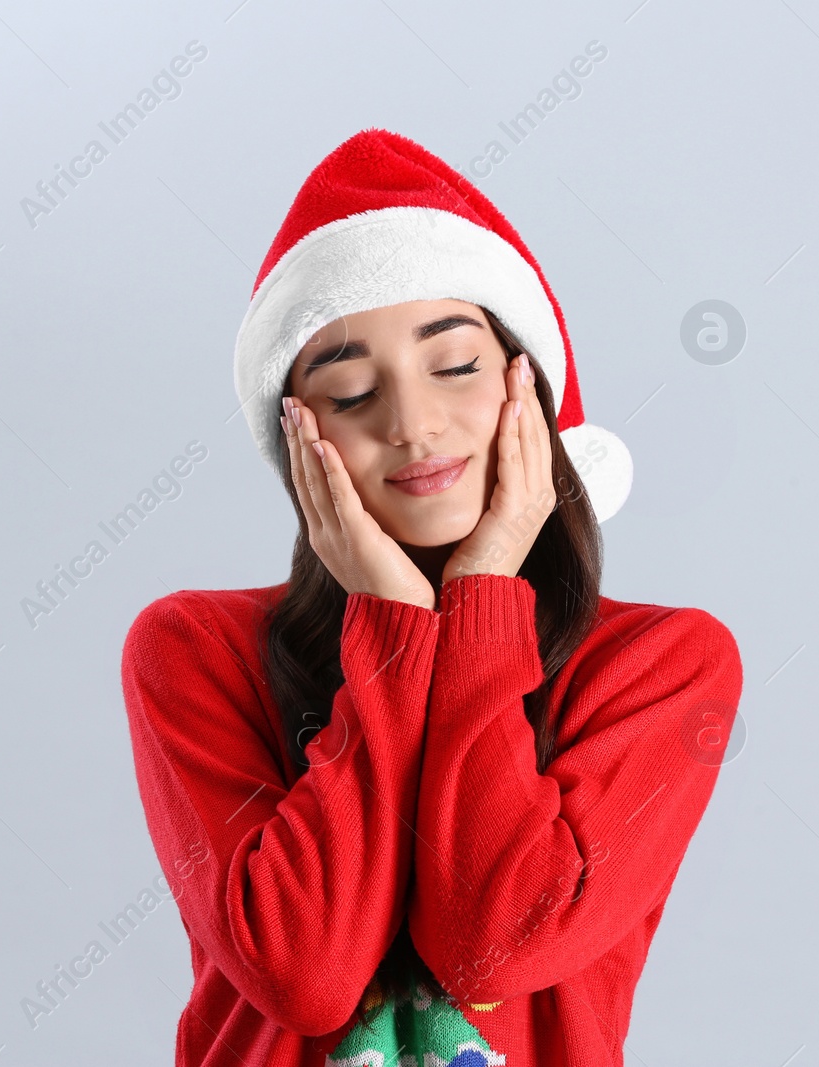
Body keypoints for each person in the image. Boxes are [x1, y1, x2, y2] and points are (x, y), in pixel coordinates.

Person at [120, 128, 743, 1066]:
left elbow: (494, 942)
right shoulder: (196, 648)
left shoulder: (661, 664)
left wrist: (483, 595)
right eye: (350, 389)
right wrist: (396, 627)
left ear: (527, 390)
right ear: (296, 441)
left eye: (455, 365)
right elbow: (303, 971)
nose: (411, 424)